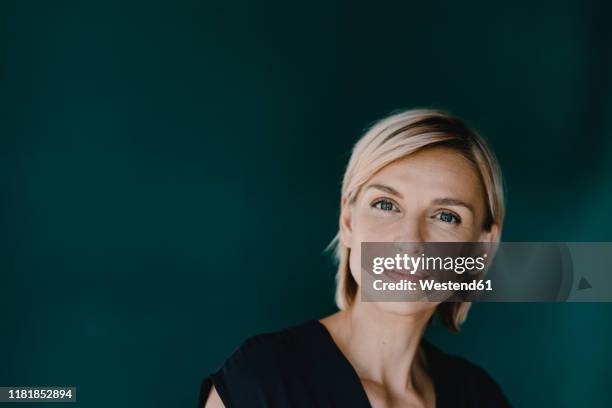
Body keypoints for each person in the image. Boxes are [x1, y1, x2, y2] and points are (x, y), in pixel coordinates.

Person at [199, 109, 511, 407]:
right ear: (348, 221)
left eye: (446, 216)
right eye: (386, 205)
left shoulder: (479, 397)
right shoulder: (261, 382)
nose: (411, 241)